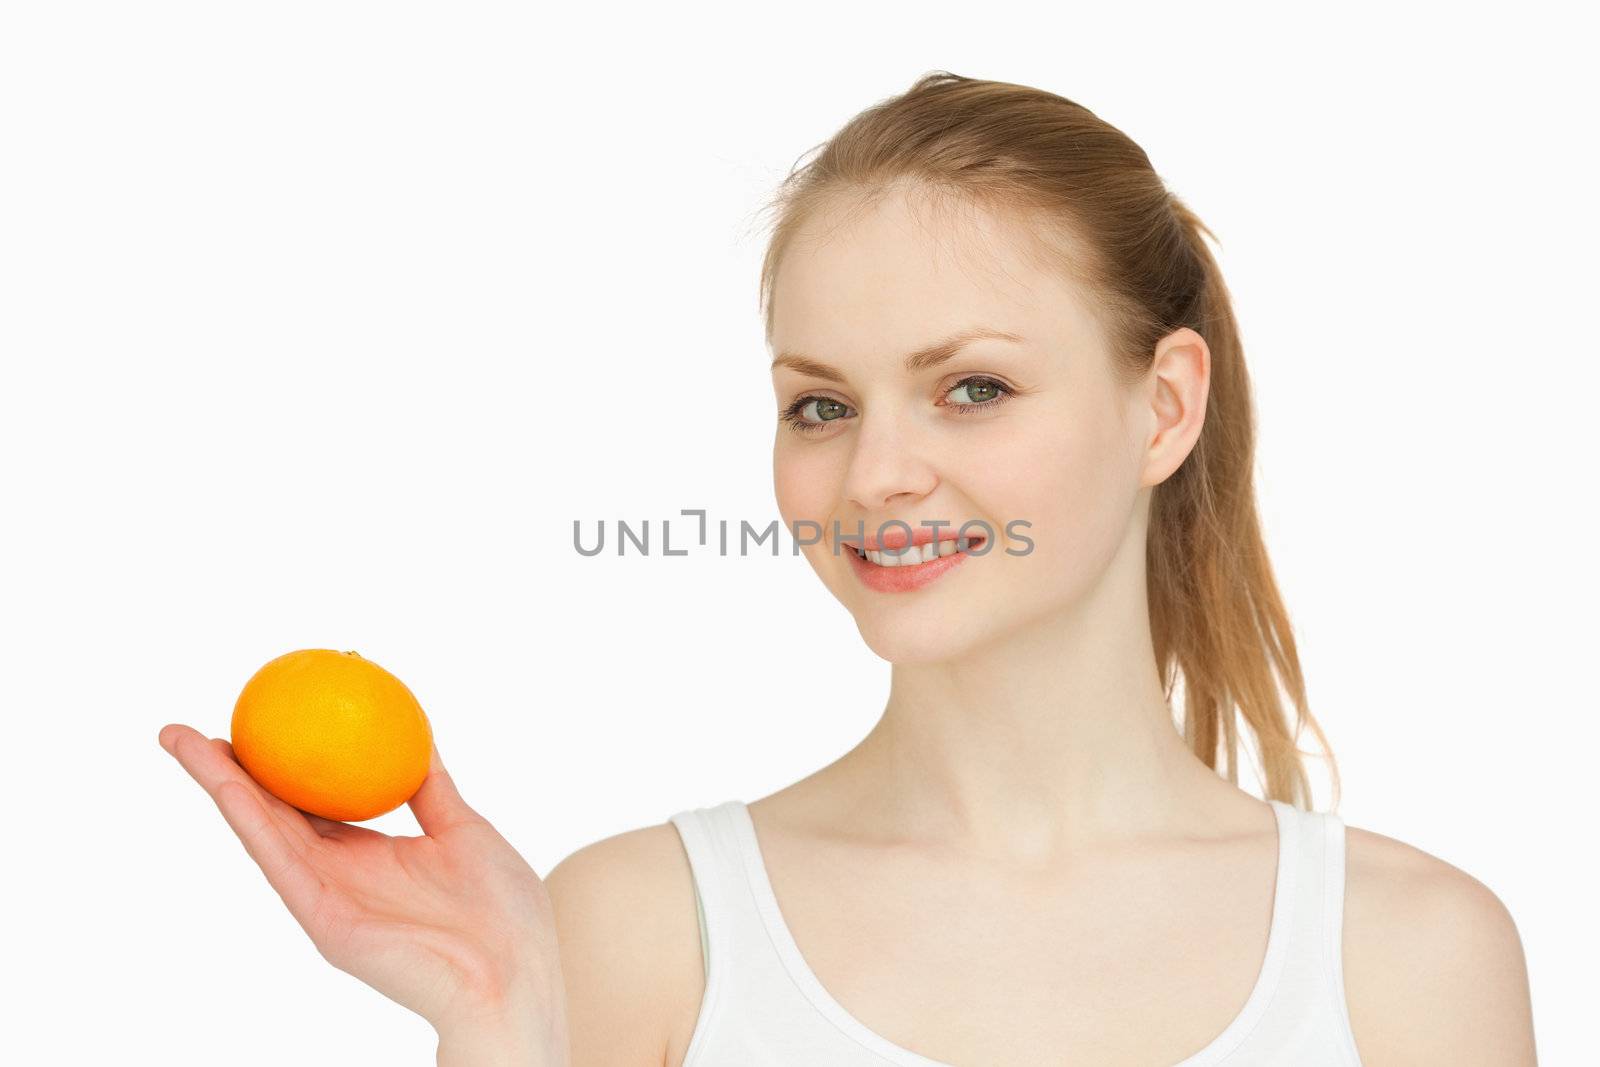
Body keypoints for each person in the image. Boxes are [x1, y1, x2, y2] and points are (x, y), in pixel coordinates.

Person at [159, 71, 1537, 1066]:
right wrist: (496, 1014)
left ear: (1165, 408)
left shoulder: (1410, 959)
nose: (875, 475)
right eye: (821, 404)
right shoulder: (632, 931)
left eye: (975, 387)